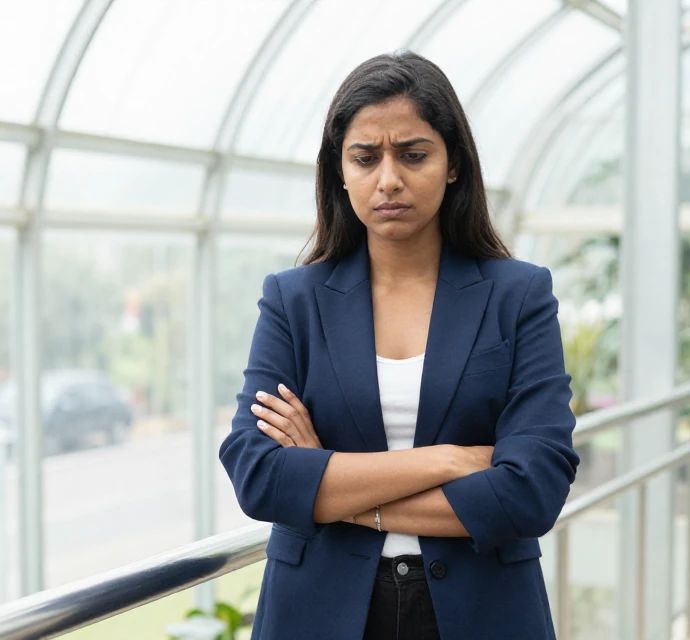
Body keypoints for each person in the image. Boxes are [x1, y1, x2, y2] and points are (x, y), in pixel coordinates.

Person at [218, 50, 579, 640]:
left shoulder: (519, 294)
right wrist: (453, 460)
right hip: (320, 612)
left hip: (484, 611)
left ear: (453, 163)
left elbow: (531, 490)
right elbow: (259, 475)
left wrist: (336, 493)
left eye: (413, 155)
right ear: (339, 169)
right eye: (365, 158)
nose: (389, 179)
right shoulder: (293, 300)